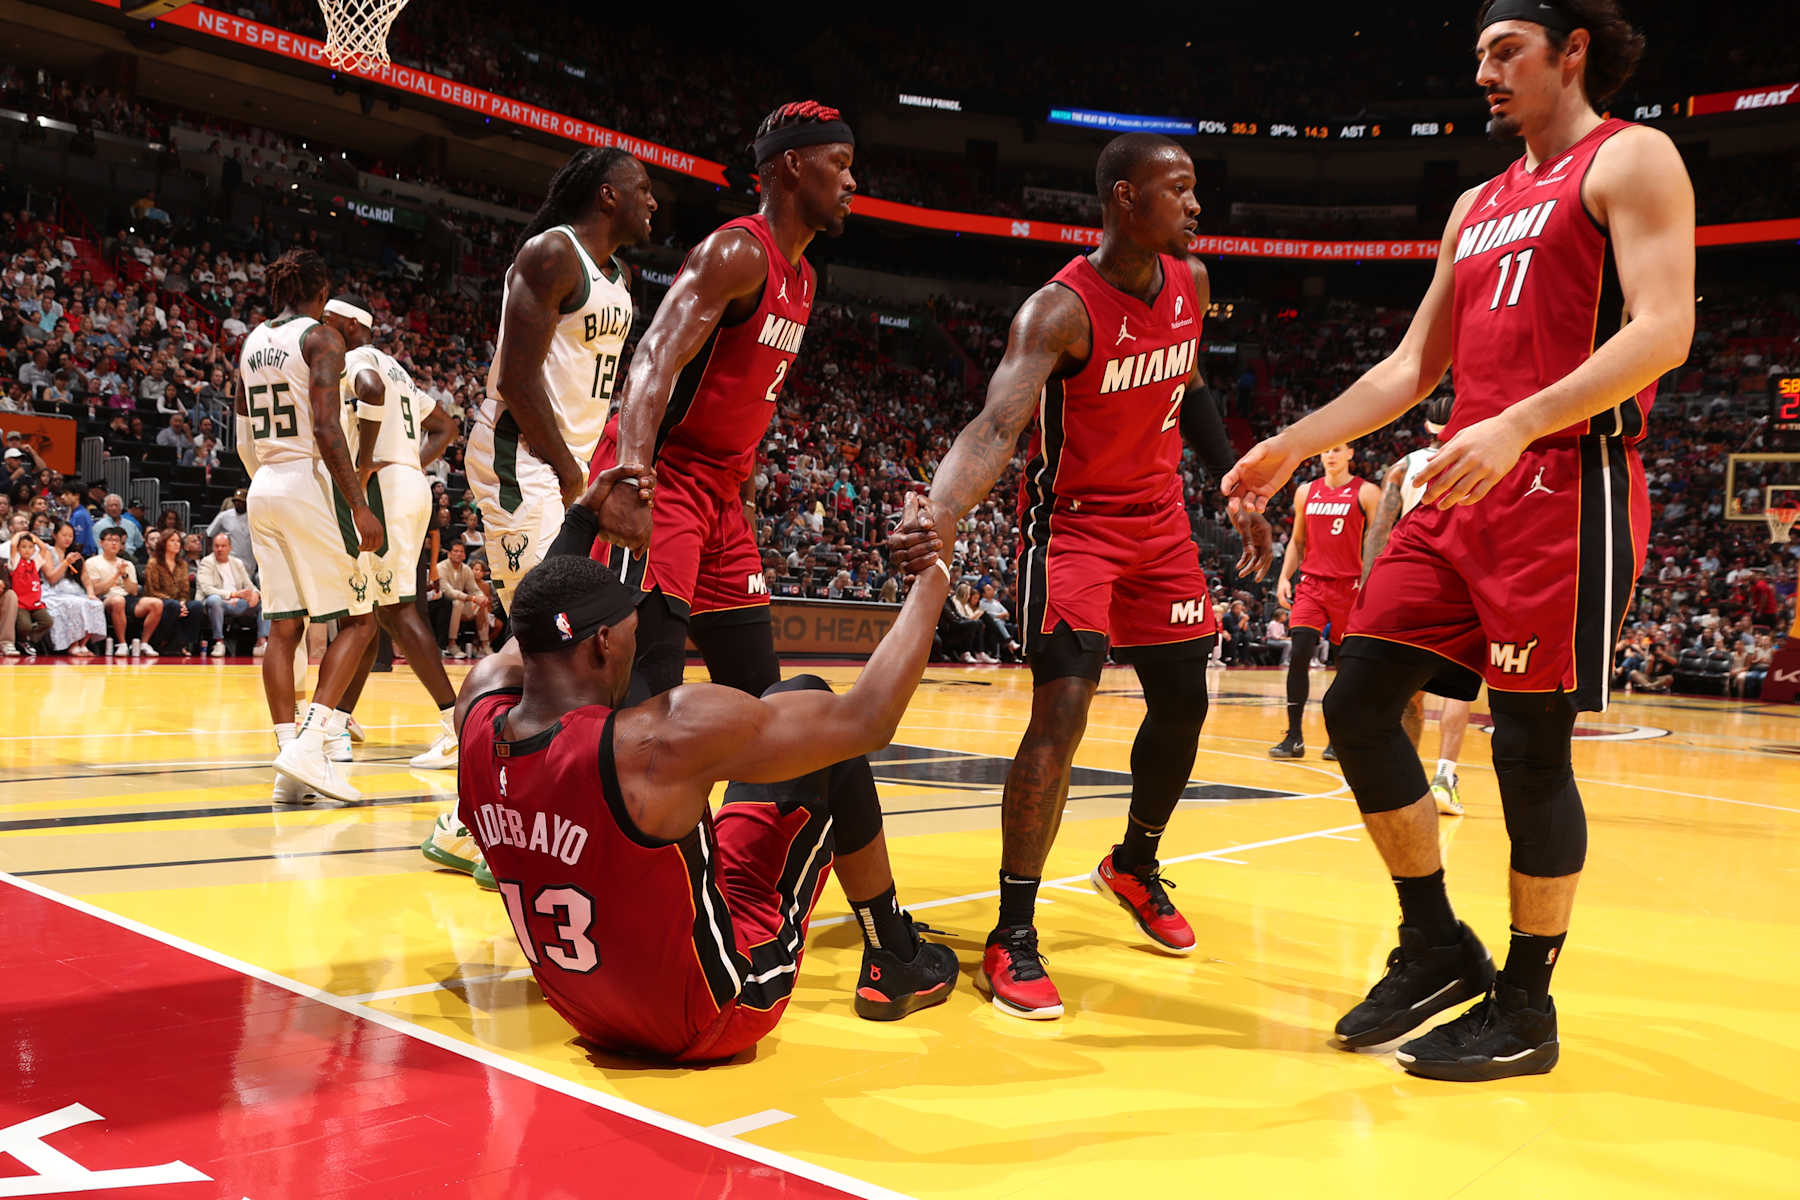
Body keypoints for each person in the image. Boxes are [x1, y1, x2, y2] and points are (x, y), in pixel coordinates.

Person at [1222, 0, 1693, 1080]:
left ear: (1573, 51)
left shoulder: (1633, 158)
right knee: (1354, 702)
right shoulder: (1477, 202)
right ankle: (1435, 939)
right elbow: (1410, 369)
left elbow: (1665, 327)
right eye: (1478, 54)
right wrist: (1291, 443)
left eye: (1504, 52)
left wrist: (1525, 420)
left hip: (1564, 489)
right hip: (1457, 492)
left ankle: (1527, 1005)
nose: (1483, 72)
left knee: (1529, 751)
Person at [890, 132, 1273, 1019]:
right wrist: (938, 514)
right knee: (1061, 712)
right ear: (1124, 200)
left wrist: (1235, 479)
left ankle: (1133, 864)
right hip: (1074, 532)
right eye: (1179, 190)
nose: (1196, 205)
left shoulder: (1194, 282)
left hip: (1162, 526)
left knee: (1185, 704)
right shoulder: (1058, 312)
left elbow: (1197, 384)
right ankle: (1012, 933)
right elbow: (994, 429)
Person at [456, 479, 959, 1060]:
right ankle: (894, 956)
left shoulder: (475, 716)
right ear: (600, 645)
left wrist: (582, 520)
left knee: (783, 708)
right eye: (628, 631)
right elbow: (867, 718)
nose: (634, 639)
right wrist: (934, 573)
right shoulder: (656, 739)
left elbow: (534, 622)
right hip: (708, 1017)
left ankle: (892, 952)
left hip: (587, 1014)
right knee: (824, 730)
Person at [463, 147, 655, 600]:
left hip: (569, 461)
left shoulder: (620, 276)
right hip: (523, 454)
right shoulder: (554, 253)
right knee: (545, 624)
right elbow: (516, 380)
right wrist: (571, 474)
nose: (653, 203)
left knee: (564, 627)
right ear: (608, 196)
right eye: (643, 190)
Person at [238, 249, 383, 804]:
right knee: (361, 620)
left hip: (263, 483)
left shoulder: (250, 342)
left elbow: (243, 433)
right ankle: (313, 738)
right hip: (305, 479)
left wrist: (266, 482)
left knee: (284, 627)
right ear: (320, 293)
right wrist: (357, 505)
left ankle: (287, 765)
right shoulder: (321, 338)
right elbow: (327, 427)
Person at [320, 295, 464, 771]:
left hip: (384, 485)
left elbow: (367, 388)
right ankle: (340, 718)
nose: (322, 327)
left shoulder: (357, 361)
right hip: (407, 483)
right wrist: (411, 464)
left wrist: (363, 470)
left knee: (392, 609)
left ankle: (455, 726)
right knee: (375, 608)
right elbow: (446, 426)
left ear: (352, 325)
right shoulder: (396, 366)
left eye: (329, 321)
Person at [1364, 394, 1474, 815]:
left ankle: (1403, 779)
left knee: (1409, 692)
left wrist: (1368, 585)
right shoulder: (1484, 457)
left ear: (1426, 426)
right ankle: (1445, 775)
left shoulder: (1403, 467)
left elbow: (1378, 532)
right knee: (1457, 687)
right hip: (1464, 582)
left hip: (1413, 583)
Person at [1268, 444, 1380, 759]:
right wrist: (1283, 577)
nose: (1330, 455)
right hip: (1311, 584)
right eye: (1325, 451)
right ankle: (1294, 737)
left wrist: (1374, 584)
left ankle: (1339, 737)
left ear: (1350, 454)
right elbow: (1298, 541)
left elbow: (1378, 541)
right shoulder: (1306, 492)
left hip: (1350, 587)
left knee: (1344, 666)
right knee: (1300, 652)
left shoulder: (1367, 492)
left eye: (1338, 449)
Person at [84, 526, 155, 655]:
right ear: (101, 543)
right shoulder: (92, 562)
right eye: (110, 540)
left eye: (117, 541)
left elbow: (133, 591)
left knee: (156, 604)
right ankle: (122, 643)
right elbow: (96, 590)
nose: (114, 543)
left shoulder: (127, 563)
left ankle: (144, 643)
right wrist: (116, 575)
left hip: (127, 598)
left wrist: (124, 575)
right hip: (104, 599)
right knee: (118, 601)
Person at [37, 520, 104, 655]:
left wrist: (91, 593)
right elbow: (51, 578)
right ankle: (72, 644)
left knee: (95, 604)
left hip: (74, 591)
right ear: (55, 535)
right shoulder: (47, 552)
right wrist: (66, 563)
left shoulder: (75, 553)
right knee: (72, 604)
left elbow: (85, 578)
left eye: (71, 536)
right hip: (53, 592)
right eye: (64, 535)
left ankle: (83, 645)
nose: (68, 539)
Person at [197, 531, 260, 655]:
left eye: (223, 546)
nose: (220, 549)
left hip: (238, 603)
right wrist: (233, 595)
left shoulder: (237, 563)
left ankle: (261, 643)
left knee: (263, 602)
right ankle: (219, 642)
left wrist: (256, 593)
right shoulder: (207, 562)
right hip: (219, 603)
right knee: (214, 600)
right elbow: (207, 589)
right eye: (216, 546)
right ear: (212, 547)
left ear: (230, 548)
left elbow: (249, 585)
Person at [144, 527, 203, 654]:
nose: (177, 544)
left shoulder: (182, 564)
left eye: (178, 541)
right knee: (172, 606)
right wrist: (176, 603)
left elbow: (184, 591)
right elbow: (152, 590)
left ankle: (183, 644)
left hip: (177, 602)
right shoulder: (153, 562)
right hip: (159, 601)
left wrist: (182, 602)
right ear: (164, 543)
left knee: (196, 606)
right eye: (172, 541)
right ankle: (161, 642)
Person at [436, 540, 491, 658]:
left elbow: (474, 589)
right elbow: (448, 592)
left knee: (481, 604)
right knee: (457, 603)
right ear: (449, 553)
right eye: (455, 551)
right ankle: (452, 644)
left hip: (460, 604)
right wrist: (472, 598)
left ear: (465, 555)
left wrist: (481, 597)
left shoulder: (466, 569)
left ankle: (484, 645)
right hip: (442, 605)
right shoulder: (440, 567)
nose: (458, 554)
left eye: (461, 551)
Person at [6, 530, 52, 653]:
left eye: (30, 547)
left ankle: (28, 639)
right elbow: (12, 545)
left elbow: (43, 548)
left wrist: (33, 536)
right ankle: (22, 639)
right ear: (19, 549)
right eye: (24, 547)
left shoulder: (35, 563)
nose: (27, 550)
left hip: (35, 603)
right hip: (21, 604)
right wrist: (20, 533)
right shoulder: (15, 562)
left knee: (48, 622)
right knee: (24, 625)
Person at [208, 488, 255, 579]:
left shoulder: (253, 516)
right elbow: (209, 534)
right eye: (236, 501)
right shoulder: (224, 516)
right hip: (230, 558)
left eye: (241, 502)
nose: (238, 504)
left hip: (249, 561)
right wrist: (213, 555)